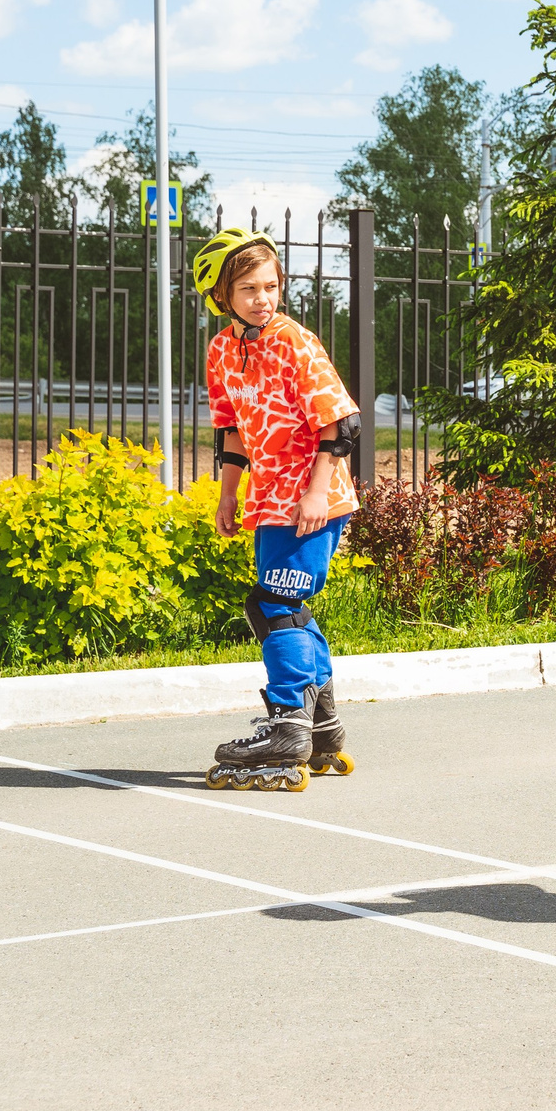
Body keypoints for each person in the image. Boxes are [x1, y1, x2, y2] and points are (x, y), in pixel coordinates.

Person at [194, 228, 362, 790]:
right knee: (276, 605)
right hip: (268, 498)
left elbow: (340, 423)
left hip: (313, 496)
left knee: (276, 601)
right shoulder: (221, 350)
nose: (262, 297)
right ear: (222, 296)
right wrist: (227, 493)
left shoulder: (296, 340)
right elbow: (232, 431)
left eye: (270, 285)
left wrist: (317, 492)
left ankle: (289, 723)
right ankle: (322, 726)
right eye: (247, 289)